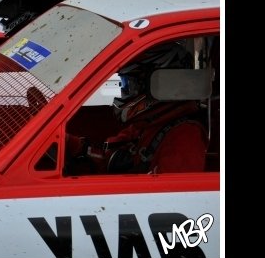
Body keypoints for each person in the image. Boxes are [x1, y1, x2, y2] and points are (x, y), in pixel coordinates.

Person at [65, 41, 208, 176]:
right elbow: (109, 157)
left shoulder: (185, 137)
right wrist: (72, 144)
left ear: (159, 84)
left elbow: (172, 199)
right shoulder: (147, 123)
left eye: (128, 84)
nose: (124, 90)